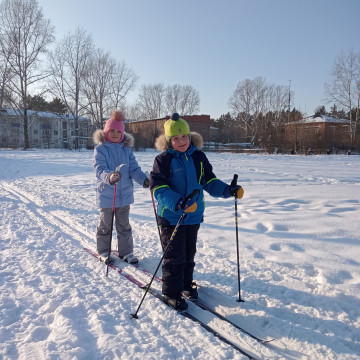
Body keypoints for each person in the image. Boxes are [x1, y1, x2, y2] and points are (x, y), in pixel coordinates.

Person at [150, 113, 244, 310]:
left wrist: (228, 190)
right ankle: (171, 292)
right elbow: (158, 189)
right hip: (172, 217)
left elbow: (209, 181)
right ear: (169, 140)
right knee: (174, 257)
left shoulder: (198, 157)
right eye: (175, 138)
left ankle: (185, 285)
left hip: (193, 216)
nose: (181, 141)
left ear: (190, 136)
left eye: (184, 136)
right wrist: (179, 202)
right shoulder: (163, 160)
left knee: (188, 254)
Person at [93, 109, 149, 265]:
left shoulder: (127, 150)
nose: (116, 134)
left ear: (123, 133)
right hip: (107, 196)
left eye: (119, 131)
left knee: (124, 225)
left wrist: (144, 180)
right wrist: (109, 177)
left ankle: (126, 252)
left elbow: (134, 169)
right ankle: (104, 251)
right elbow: (99, 169)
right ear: (106, 132)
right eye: (112, 131)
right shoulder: (101, 149)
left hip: (124, 195)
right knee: (106, 225)